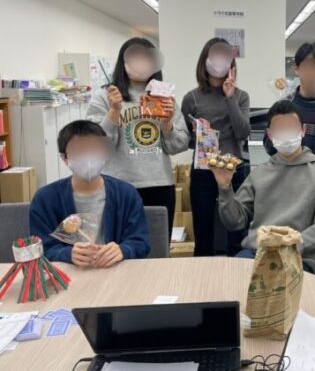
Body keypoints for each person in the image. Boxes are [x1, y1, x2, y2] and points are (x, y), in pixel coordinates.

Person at [213, 100, 315, 272]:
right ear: (270, 134)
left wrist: (292, 244)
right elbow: (235, 222)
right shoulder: (259, 173)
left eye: (291, 127)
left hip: (297, 256)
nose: (285, 133)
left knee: (273, 285)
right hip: (255, 252)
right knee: (229, 278)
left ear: (303, 130)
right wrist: (225, 187)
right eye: (280, 128)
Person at [86, 37, 189, 238]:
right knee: (117, 245)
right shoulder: (105, 96)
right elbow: (97, 145)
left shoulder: (164, 97)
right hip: (118, 184)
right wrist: (114, 111)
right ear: (123, 61)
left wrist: (167, 124)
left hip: (159, 184)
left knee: (158, 245)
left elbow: (180, 144)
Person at [30, 120, 150, 266]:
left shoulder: (126, 194)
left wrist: (124, 250)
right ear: (64, 158)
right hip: (69, 273)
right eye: (79, 150)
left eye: (94, 149)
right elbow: (39, 248)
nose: (88, 157)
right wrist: (67, 254)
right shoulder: (45, 199)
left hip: (115, 270)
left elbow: (141, 242)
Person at [181, 38, 250, 257]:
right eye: (215, 56)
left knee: (237, 233)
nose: (219, 62)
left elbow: (242, 133)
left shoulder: (241, 96)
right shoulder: (191, 98)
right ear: (205, 60)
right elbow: (186, 140)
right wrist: (197, 134)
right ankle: (203, 276)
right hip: (204, 171)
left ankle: (237, 274)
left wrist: (230, 97)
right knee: (203, 234)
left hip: (233, 170)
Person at [265, 42, 315, 180]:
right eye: (307, 66)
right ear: (297, 69)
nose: (311, 72)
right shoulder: (284, 105)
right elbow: (270, 148)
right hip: (285, 181)